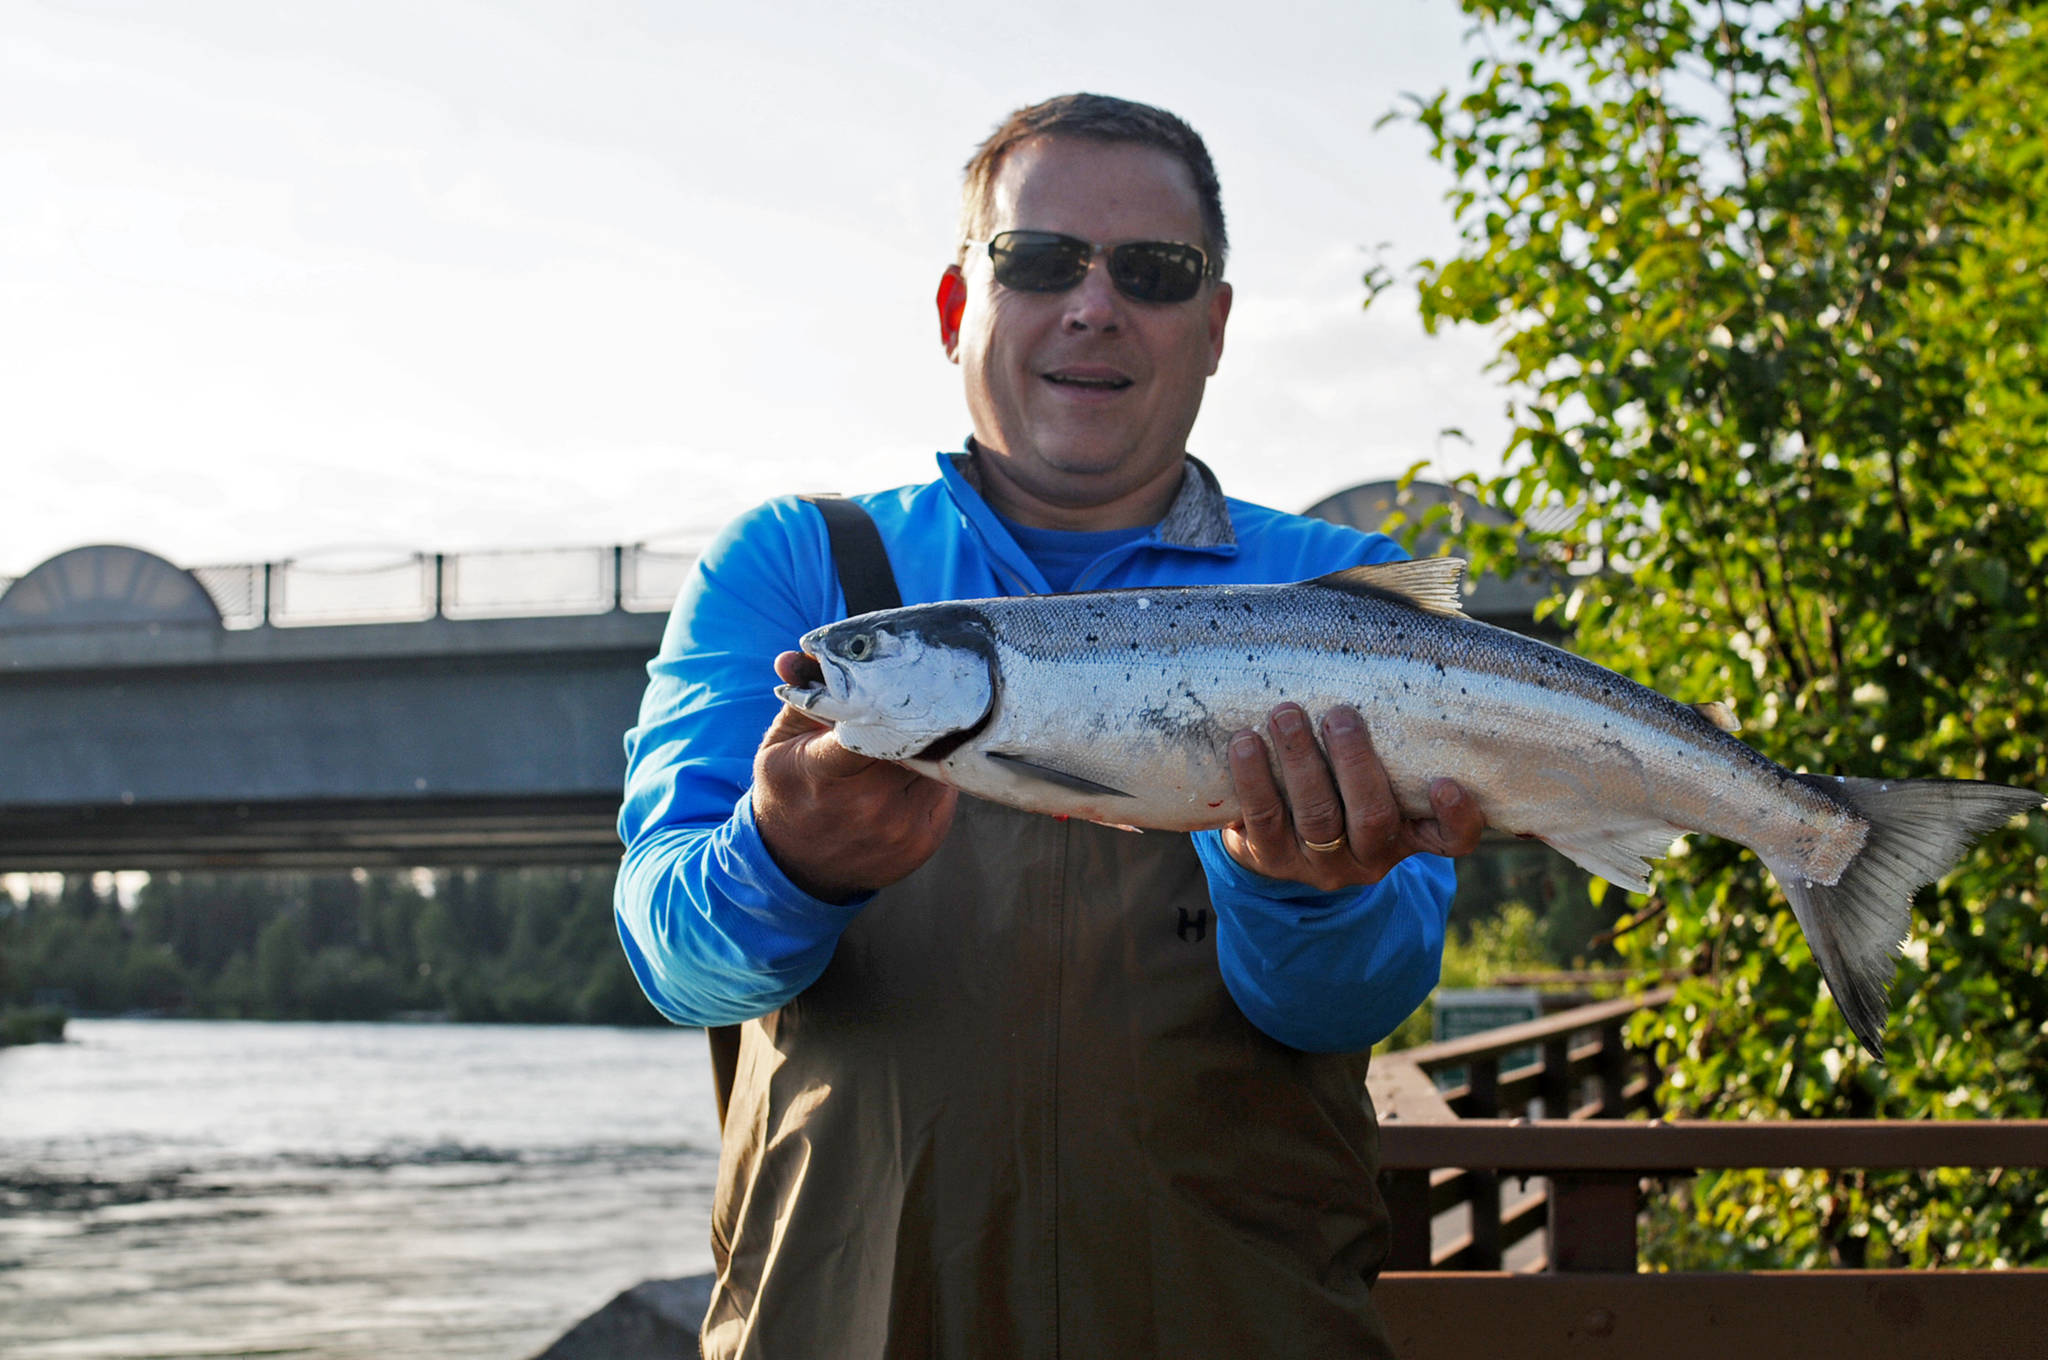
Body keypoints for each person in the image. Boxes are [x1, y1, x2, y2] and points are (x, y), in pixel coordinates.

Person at [615, 92, 1486, 1360]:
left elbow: (1344, 1004)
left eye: (1153, 270)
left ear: (1215, 326)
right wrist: (782, 858)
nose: (1093, 303)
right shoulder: (795, 570)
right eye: (1036, 261)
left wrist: (1307, 893)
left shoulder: (1340, 595)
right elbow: (672, 957)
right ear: (955, 307)